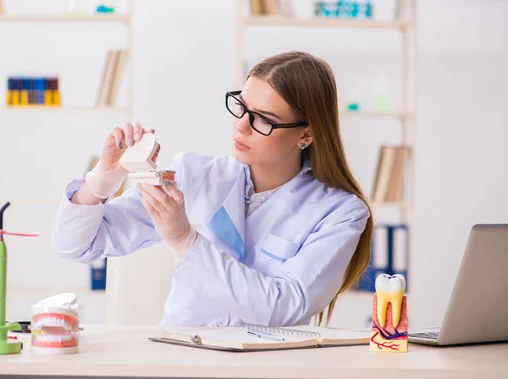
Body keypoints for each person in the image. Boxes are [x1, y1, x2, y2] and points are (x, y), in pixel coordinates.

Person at [52, 51, 373, 328]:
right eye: (242, 107)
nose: (241, 126)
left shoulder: (340, 213)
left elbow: (283, 309)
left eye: (263, 119)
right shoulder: (194, 175)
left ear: (306, 134)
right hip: (183, 361)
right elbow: (75, 246)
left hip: (267, 373)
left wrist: (184, 240)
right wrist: (104, 177)